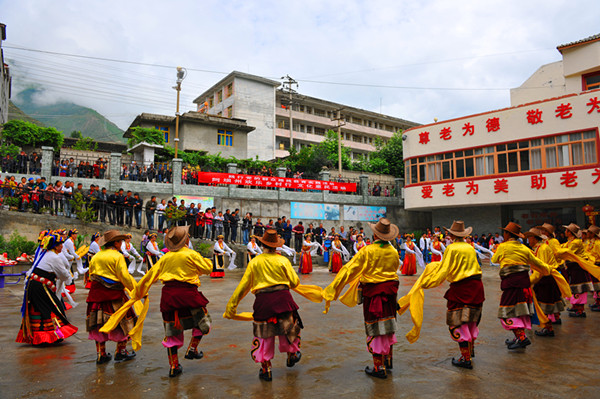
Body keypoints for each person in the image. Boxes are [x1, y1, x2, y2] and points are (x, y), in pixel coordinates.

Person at [100, 226, 214, 378]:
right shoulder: (191, 254)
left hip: (169, 296)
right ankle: (192, 349)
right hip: (188, 295)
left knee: (171, 332)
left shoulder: (165, 258)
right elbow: (208, 268)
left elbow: (149, 276)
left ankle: (174, 366)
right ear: (186, 240)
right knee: (204, 322)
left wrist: (137, 293)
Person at [224, 229, 322, 381]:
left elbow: (243, 286)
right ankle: (291, 355)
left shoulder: (255, 261)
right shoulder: (283, 261)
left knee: (264, 336)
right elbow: (295, 282)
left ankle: (266, 369)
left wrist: (232, 306)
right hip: (284, 300)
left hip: (263, 303)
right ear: (276, 246)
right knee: (290, 329)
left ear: (262, 244)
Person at [397, 220, 484, 370]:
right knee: (471, 319)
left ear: (451, 235)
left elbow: (444, 271)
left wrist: (426, 283)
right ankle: (470, 351)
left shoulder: (452, 248)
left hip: (461, 287)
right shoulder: (469, 248)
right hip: (476, 286)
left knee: (458, 322)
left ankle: (465, 357)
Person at [322, 219, 400, 379]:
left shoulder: (367, 250)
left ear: (374, 234)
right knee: (389, 324)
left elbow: (350, 269)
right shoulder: (393, 251)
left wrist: (334, 288)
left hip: (374, 292)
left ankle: (379, 368)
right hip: (390, 293)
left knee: (376, 327)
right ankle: (388, 360)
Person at [491, 222, 552, 350]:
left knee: (507, 312)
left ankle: (522, 338)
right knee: (520, 312)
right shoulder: (525, 248)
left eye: (505, 232)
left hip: (511, 285)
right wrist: (548, 269)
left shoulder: (503, 247)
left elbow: (494, 259)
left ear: (507, 234)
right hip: (524, 286)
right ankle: (518, 337)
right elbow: (537, 262)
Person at [16, 232, 78, 345]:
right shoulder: (54, 257)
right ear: (55, 246)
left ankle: (42, 336)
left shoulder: (45, 254)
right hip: (40, 287)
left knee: (40, 309)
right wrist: (69, 279)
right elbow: (63, 274)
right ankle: (47, 337)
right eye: (60, 244)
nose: (62, 246)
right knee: (51, 308)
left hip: (35, 285)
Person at [86, 230, 138, 364]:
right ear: (115, 243)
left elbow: (91, 273)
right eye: (120, 241)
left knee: (98, 323)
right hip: (114, 295)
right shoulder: (117, 256)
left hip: (96, 294)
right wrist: (134, 290)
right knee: (122, 322)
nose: (121, 244)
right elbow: (124, 276)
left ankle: (101, 354)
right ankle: (120, 351)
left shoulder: (96, 256)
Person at [524, 227, 571, 337]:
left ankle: (548, 328)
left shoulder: (543, 249)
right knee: (547, 304)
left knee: (545, 305)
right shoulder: (539, 248)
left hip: (545, 279)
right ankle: (549, 324)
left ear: (534, 238)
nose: (528, 240)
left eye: (529, 238)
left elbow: (541, 269)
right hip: (544, 279)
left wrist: (529, 281)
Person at [586, 225, 600, 311]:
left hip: (598, 265)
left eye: (589, 232)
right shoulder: (592, 242)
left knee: (599, 285)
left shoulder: (598, 243)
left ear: (593, 234)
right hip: (593, 266)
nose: (587, 234)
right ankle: (597, 302)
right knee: (596, 285)